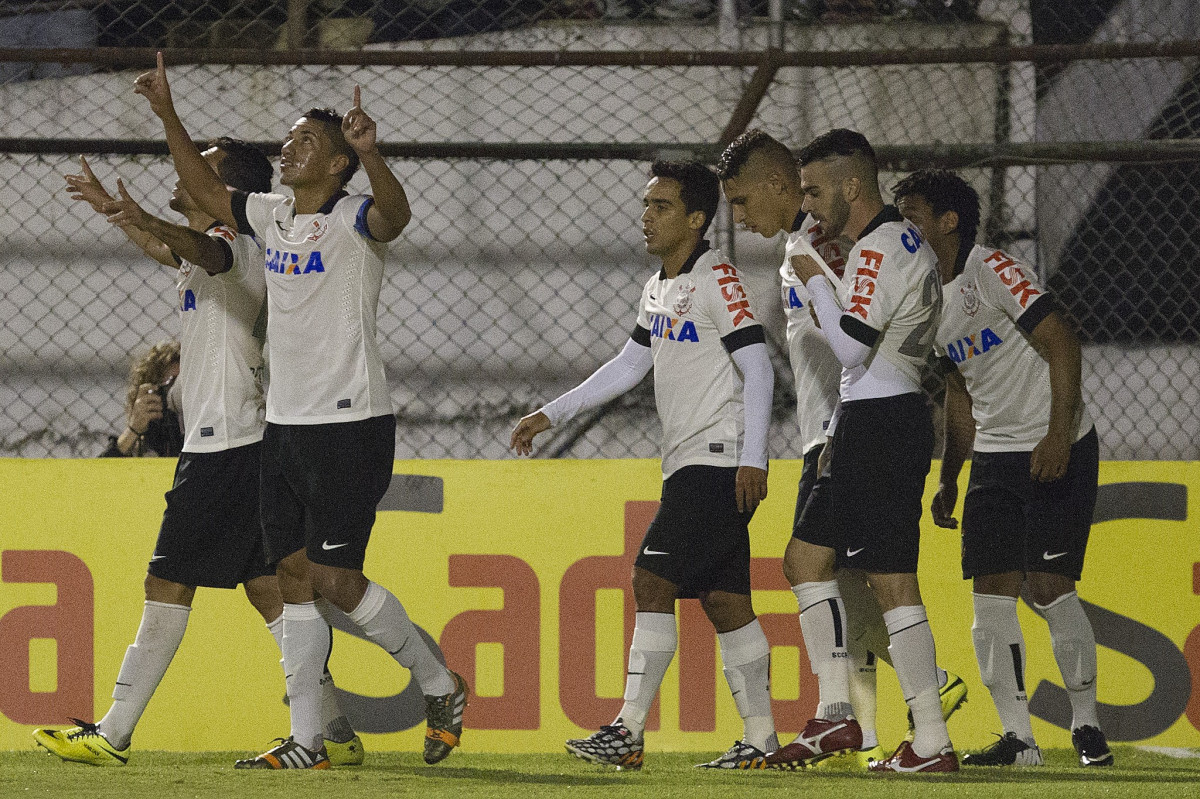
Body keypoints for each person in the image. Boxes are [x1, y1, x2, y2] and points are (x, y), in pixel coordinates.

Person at [133, 52, 466, 770]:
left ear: (339, 163)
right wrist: (167, 112)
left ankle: (441, 683)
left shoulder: (354, 220)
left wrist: (376, 156)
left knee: (338, 581)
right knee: (291, 576)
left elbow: (397, 215)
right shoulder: (272, 215)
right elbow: (202, 187)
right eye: (286, 142)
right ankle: (308, 741)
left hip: (351, 423)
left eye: (305, 142)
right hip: (283, 424)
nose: (289, 150)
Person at [33, 143, 362, 767]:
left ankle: (113, 731)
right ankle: (334, 731)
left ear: (220, 189)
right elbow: (171, 251)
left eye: (198, 170)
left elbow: (204, 249)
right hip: (244, 445)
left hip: (227, 448)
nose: (179, 178)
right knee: (268, 591)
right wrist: (121, 213)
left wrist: (141, 214)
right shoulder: (212, 250)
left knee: (167, 580)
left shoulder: (235, 245)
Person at [511, 160, 778, 770]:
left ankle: (627, 730)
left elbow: (758, 365)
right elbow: (631, 365)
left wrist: (754, 458)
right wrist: (550, 413)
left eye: (660, 207)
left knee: (650, 580)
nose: (645, 217)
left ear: (695, 218)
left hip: (716, 462)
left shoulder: (718, 278)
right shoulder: (659, 287)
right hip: (690, 461)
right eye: (646, 205)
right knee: (726, 600)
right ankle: (762, 740)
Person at [717, 129, 967, 770]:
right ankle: (930, 735)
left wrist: (813, 278)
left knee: (807, 562)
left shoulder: (863, 247)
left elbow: (852, 346)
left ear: (846, 186)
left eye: (811, 190)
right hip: (887, 418)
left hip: (868, 422)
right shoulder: (889, 241)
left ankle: (840, 717)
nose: (741, 219)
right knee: (884, 578)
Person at [893, 168, 1112, 768]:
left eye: (911, 216)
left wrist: (1057, 435)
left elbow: (1062, 342)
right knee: (989, 596)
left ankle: (1087, 724)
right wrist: (949, 476)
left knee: (1048, 589)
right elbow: (960, 389)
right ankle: (1019, 740)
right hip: (994, 455)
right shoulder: (923, 298)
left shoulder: (990, 269)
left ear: (948, 221)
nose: (902, 230)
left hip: (1055, 444)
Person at [99, 339, 184, 458]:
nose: (181, 394)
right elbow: (99, 474)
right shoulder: (148, 439)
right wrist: (133, 430)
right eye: (173, 384)